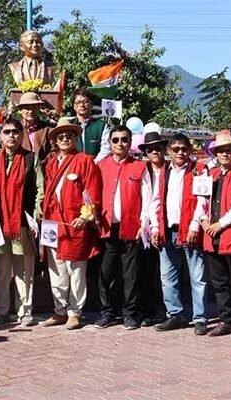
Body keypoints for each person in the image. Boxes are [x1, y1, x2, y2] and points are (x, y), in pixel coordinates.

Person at [40, 118, 103, 330]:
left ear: (76, 138)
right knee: (56, 271)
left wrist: (84, 217)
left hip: (75, 224)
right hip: (53, 224)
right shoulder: (50, 164)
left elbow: (92, 194)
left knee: (76, 270)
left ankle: (75, 312)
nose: (65, 138)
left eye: (69, 135)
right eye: (60, 136)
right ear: (55, 141)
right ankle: (59, 310)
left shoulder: (85, 161)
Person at [191, 130, 231, 340]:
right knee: (219, 282)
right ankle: (225, 319)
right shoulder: (210, 175)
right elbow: (201, 202)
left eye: (229, 150)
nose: (225, 154)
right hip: (212, 236)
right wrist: (204, 221)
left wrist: (221, 224)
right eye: (221, 151)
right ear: (215, 153)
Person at [0, 119, 44, 327]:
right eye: (7, 131)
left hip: (22, 223)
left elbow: (39, 190)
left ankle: (24, 310)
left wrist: (36, 216)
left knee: (24, 269)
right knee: (0, 270)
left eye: (16, 131)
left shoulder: (31, 159)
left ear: (21, 135)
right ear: (1, 135)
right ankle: (0, 311)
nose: (12, 135)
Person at [94, 126, 153, 330]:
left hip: (132, 228)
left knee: (131, 275)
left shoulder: (140, 167)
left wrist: (143, 224)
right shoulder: (100, 166)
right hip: (107, 228)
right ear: (110, 143)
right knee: (106, 273)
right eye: (116, 140)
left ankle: (130, 313)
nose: (120, 144)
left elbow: (148, 198)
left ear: (130, 142)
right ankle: (107, 312)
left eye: (124, 140)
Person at [149, 134, 208, 334]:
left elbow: (203, 200)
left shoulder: (199, 170)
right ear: (169, 151)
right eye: (176, 149)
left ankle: (199, 318)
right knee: (167, 276)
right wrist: (155, 227)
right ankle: (175, 314)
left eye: (184, 149)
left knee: (197, 276)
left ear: (190, 150)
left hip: (189, 230)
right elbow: (156, 201)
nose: (180, 153)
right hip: (168, 230)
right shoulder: (163, 172)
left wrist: (195, 225)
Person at [138, 131, 168, 327]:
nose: (155, 152)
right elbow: (144, 200)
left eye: (158, 148)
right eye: (150, 149)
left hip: (166, 224)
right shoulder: (143, 170)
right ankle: (149, 310)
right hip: (146, 225)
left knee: (165, 272)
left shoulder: (171, 169)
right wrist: (144, 225)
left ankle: (165, 309)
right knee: (147, 271)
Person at [66, 88, 111, 162]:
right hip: (73, 166)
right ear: (74, 106)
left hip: (95, 166)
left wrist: (92, 164)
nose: (82, 105)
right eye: (78, 102)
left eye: (85, 102)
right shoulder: (68, 125)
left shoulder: (101, 126)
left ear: (91, 104)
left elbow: (106, 149)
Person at [17, 92, 53, 163]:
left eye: (34, 107)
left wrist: (43, 162)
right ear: (21, 110)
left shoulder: (47, 129)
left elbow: (54, 150)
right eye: (26, 108)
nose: (30, 111)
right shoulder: (15, 129)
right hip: (20, 168)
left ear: (39, 108)